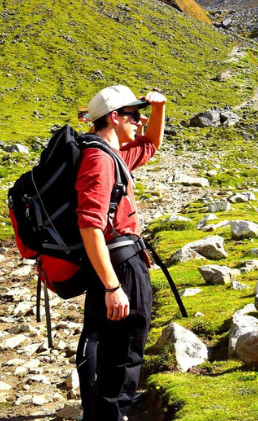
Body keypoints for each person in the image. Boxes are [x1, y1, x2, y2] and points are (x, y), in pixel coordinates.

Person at [75, 85, 166, 421]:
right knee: (123, 360)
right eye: (133, 115)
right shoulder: (99, 160)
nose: (139, 121)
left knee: (116, 356)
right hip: (119, 267)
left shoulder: (112, 155)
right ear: (114, 118)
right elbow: (90, 226)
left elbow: (151, 143)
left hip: (114, 264)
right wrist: (113, 287)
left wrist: (159, 109)